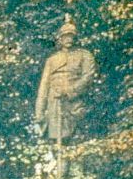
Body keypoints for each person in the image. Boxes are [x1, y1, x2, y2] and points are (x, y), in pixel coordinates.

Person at [35, 15, 96, 144]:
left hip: (75, 103)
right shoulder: (52, 60)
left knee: (76, 141)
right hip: (55, 102)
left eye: (71, 36)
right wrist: (39, 112)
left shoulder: (84, 55)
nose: (68, 39)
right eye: (65, 36)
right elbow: (44, 87)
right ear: (60, 39)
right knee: (57, 144)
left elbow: (87, 77)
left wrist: (68, 90)